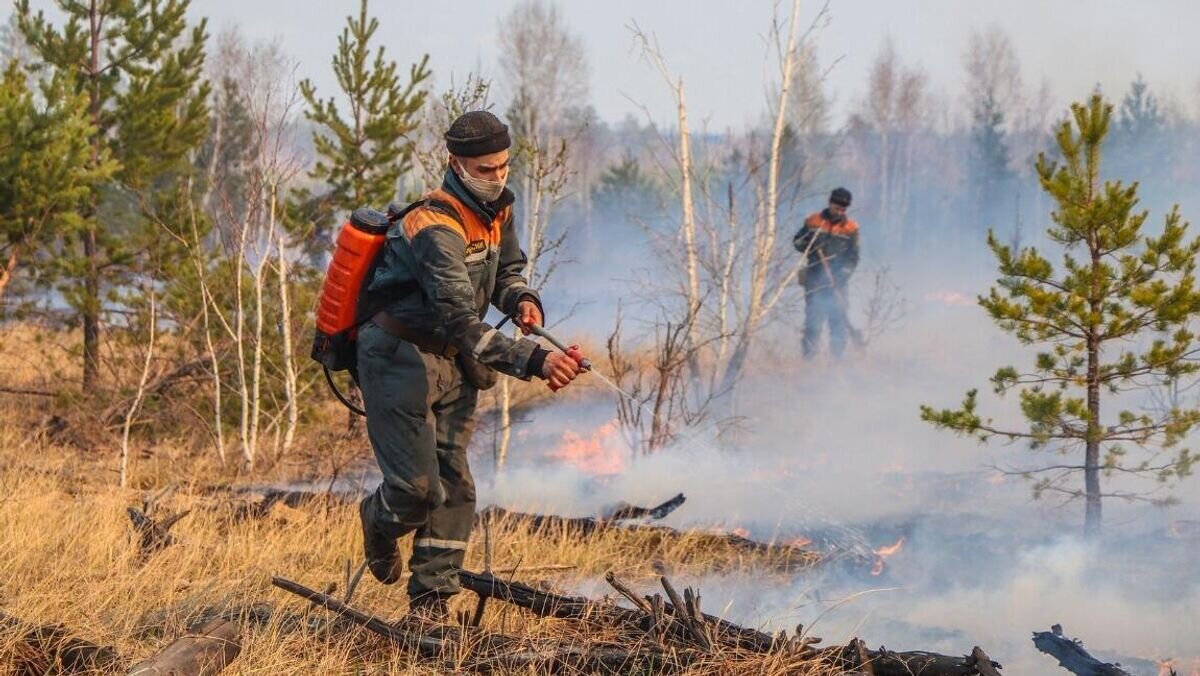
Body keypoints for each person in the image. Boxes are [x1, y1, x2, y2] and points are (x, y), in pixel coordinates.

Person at [355, 110, 585, 620]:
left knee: (455, 485)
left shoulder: (498, 209)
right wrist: (537, 361)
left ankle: (430, 606)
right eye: (485, 169)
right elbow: (459, 318)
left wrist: (522, 299)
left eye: (504, 165)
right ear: (455, 163)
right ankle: (377, 518)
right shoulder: (432, 225)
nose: (497, 177)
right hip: (399, 358)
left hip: (456, 362)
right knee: (416, 491)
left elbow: (507, 271)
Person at [793, 187, 860, 359]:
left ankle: (838, 358)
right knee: (813, 320)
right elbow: (797, 242)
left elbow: (853, 257)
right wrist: (809, 244)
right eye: (837, 208)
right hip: (814, 280)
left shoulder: (851, 228)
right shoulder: (813, 221)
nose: (840, 212)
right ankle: (809, 358)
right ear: (830, 203)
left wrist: (842, 275)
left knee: (838, 320)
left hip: (838, 282)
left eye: (843, 209)